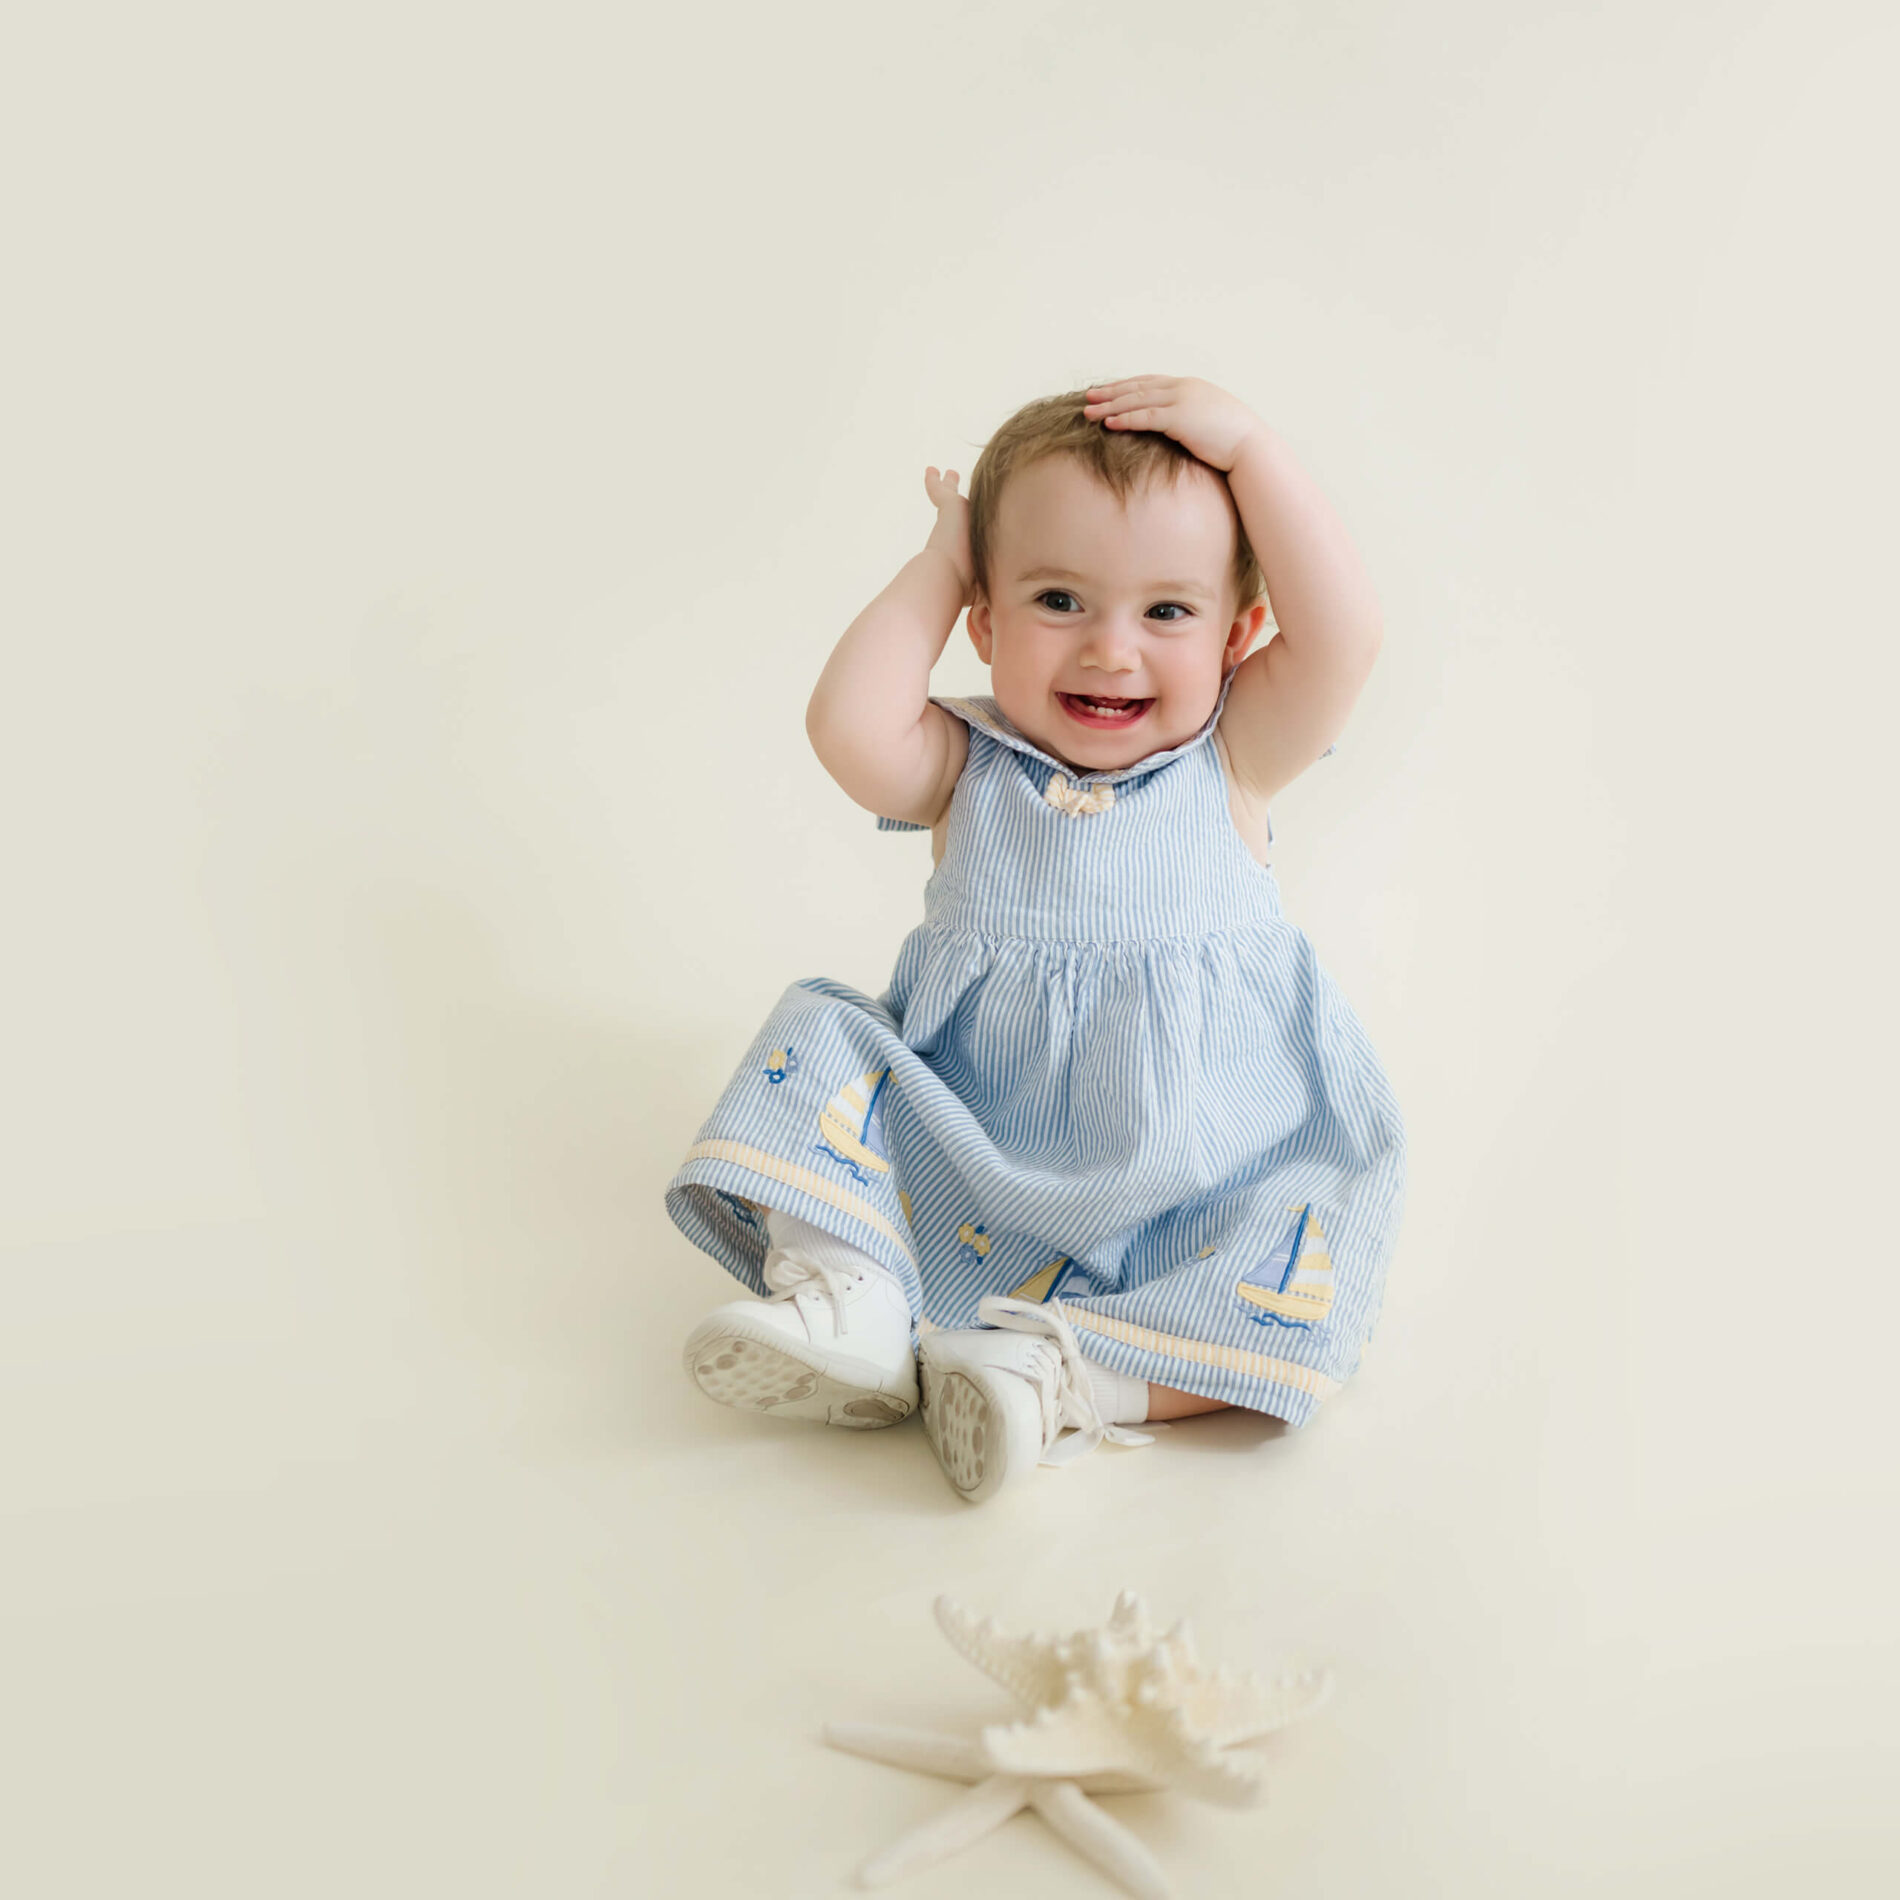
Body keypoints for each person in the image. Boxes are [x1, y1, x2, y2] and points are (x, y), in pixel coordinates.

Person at [664, 373, 1407, 1504]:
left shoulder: (1236, 757)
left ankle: (1061, 1381)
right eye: (1058, 600)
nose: (1111, 651)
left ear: (1240, 634)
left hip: (1196, 1173)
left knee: (1299, 1259)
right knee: (817, 1030)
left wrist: (1253, 453)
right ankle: (852, 1299)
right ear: (985, 622)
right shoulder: (968, 767)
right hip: (975, 1150)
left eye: (1167, 611)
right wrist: (939, 560)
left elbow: (1346, 635)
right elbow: (845, 723)